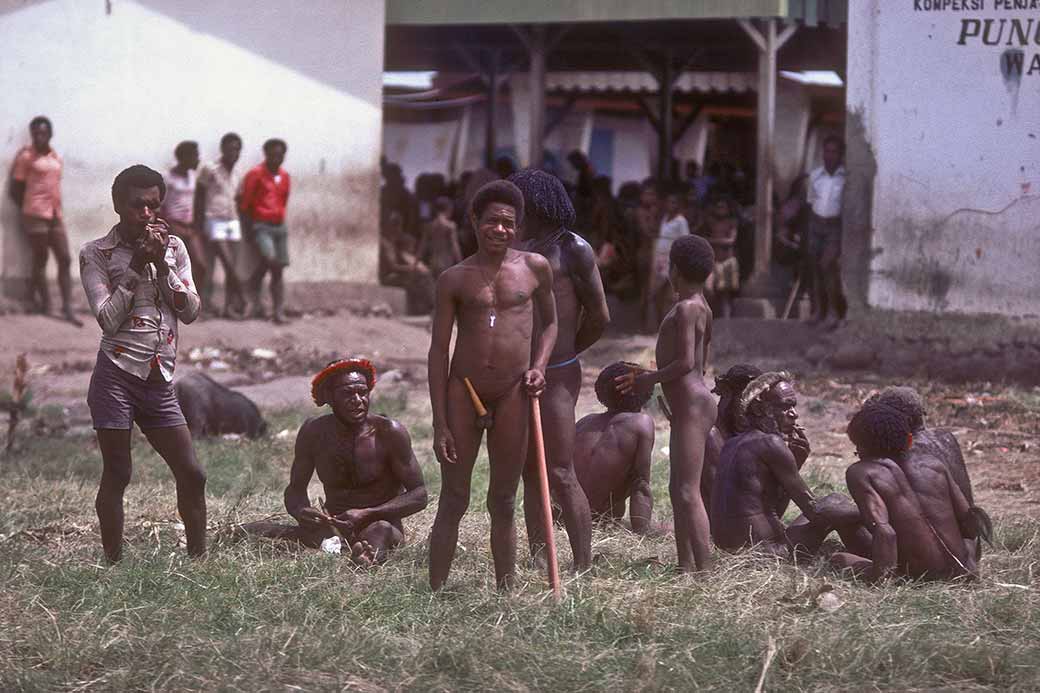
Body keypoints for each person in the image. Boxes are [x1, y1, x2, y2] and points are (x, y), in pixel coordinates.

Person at [427, 180, 557, 590]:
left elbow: (551, 323)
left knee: (503, 498)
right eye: (491, 222)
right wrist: (439, 423)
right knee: (454, 497)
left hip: (514, 393)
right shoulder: (454, 279)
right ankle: (434, 591)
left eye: (508, 223)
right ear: (474, 222)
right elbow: (437, 351)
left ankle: (506, 593)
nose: (500, 230)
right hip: (462, 391)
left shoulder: (535, 268)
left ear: (517, 226)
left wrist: (539, 366)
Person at [79, 164, 205, 562]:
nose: (147, 215)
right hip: (115, 375)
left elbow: (190, 311)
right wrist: (135, 266)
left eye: (153, 205)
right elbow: (107, 318)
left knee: (192, 473)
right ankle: (114, 562)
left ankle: (199, 562)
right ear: (118, 205)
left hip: (158, 377)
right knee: (119, 473)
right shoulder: (96, 253)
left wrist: (163, 264)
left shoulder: (175, 249)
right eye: (137, 206)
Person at [509, 169, 610, 572]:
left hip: (559, 372)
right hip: (518, 374)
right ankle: (539, 559)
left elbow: (600, 316)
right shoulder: (514, 245)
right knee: (529, 473)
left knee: (560, 470)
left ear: (536, 205)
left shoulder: (573, 249)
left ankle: (583, 565)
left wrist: (561, 354)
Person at [242, 358, 428, 564]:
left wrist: (368, 513)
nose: (358, 400)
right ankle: (342, 548)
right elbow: (295, 490)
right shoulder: (314, 432)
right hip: (332, 529)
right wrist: (301, 511)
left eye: (363, 392)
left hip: (381, 525)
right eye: (347, 393)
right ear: (328, 397)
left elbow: (419, 495)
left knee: (379, 531)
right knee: (247, 531)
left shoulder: (389, 432)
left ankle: (365, 557)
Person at [616, 235, 716, 572]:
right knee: (678, 489)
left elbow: (687, 362)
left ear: (675, 269)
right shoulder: (702, 305)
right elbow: (701, 362)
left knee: (688, 491)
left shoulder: (687, 308)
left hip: (693, 403)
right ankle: (686, 565)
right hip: (691, 402)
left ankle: (704, 571)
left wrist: (648, 379)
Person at [831, 402, 989, 582]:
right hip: (963, 569)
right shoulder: (933, 464)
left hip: (919, 576)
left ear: (860, 447)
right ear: (909, 440)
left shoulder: (862, 472)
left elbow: (885, 533)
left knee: (839, 558)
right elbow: (969, 521)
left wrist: (881, 581)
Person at [710, 372, 862, 556]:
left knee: (836, 503)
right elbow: (816, 512)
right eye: (785, 407)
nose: (794, 414)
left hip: (735, 553)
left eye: (793, 407)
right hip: (764, 555)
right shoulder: (770, 443)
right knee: (836, 502)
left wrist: (795, 464)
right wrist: (874, 516)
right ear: (759, 409)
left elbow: (771, 510)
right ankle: (882, 562)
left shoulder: (731, 444)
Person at [8, 116, 81, 326]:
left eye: (44, 132)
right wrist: (29, 207)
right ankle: (46, 303)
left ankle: (67, 307)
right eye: (36, 133)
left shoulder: (55, 156)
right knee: (40, 258)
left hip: (55, 214)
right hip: (34, 214)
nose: (40, 136)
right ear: (32, 135)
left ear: (50, 133)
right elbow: (15, 189)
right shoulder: (26, 157)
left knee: (65, 258)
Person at [573, 362, 656, 534]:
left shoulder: (585, 422)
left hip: (565, 517)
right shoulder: (641, 423)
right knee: (670, 529)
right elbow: (641, 485)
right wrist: (642, 536)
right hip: (597, 525)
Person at [195, 132, 247, 318]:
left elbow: (239, 199)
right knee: (226, 263)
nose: (234, 152)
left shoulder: (238, 174)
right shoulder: (210, 169)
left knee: (226, 264)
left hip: (232, 221)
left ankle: (228, 308)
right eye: (231, 148)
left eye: (237, 149)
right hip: (213, 220)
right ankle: (240, 298)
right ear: (223, 149)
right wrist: (198, 223)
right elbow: (199, 196)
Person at [241, 138, 291, 323]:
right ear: (266, 154)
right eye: (273, 154)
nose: (277, 158)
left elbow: (283, 200)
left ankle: (278, 312)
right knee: (272, 262)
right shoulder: (256, 174)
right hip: (261, 225)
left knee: (277, 270)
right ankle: (252, 296)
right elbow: (245, 204)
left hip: (279, 226)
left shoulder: (285, 176)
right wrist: (249, 230)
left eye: (281, 155)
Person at [807, 135, 848, 330]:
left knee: (828, 266)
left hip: (834, 225)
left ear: (841, 155)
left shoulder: (846, 177)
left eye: (834, 151)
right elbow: (810, 201)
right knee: (816, 268)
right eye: (826, 151)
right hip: (816, 223)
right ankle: (818, 312)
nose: (829, 155)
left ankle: (833, 312)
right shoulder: (815, 176)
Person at [161, 141, 207, 292]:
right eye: (194, 156)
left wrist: (197, 225)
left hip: (190, 227)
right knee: (175, 267)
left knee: (200, 265)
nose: (197, 160)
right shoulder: (168, 178)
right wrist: (167, 227)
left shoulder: (193, 176)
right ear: (184, 157)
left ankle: (195, 300)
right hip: (174, 225)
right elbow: (161, 205)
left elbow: (198, 202)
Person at [645, 191, 689, 332]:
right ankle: (657, 323)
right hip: (659, 259)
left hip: (672, 259)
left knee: (671, 294)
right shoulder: (664, 218)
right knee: (656, 292)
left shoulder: (681, 220)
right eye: (669, 202)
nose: (671, 205)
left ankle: (670, 327)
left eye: (674, 202)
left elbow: (685, 240)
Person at [379, 210, 435, 314]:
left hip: (396, 275)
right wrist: (411, 268)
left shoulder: (392, 243)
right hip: (388, 277)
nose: (400, 229)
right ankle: (432, 307)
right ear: (393, 226)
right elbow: (392, 267)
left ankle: (430, 307)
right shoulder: (385, 244)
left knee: (425, 277)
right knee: (422, 278)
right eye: (398, 225)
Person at [700, 196, 740, 318]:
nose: (720, 209)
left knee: (725, 294)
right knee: (707, 289)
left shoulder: (732, 222)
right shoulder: (710, 222)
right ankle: (711, 317)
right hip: (712, 261)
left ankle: (726, 322)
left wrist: (712, 241)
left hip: (727, 261)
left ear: (728, 209)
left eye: (723, 207)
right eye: (718, 207)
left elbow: (731, 240)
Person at [417, 196, 463, 279]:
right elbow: (454, 246)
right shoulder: (450, 226)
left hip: (433, 261)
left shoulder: (429, 226)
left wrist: (416, 262)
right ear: (448, 208)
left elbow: (422, 245)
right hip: (446, 262)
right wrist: (460, 262)